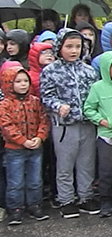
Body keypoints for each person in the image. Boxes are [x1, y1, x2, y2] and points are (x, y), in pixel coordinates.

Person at [40, 29, 100, 218]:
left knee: (87, 162)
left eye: (78, 46)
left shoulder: (89, 70)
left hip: (87, 123)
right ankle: (66, 199)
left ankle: (85, 196)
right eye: (69, 47)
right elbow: (46, 96)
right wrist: (58, 106)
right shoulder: (50, 71)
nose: (74, 51)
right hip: (64, 125)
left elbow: (95, 95)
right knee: (65, 164)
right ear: (60, 47)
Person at [83, 51, 112, 217]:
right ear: (105, 68)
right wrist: (101, 120)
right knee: (106, 171)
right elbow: (88, 108)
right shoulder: (97, 87)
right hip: (105, 135)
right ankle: (106, 200)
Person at [0, 66, 50, 225]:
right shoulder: (5, 104)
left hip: (35, 148)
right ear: (8, 84)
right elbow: (6, 126)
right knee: (15, 181)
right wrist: (23, 140)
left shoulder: (35, 101)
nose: (23, 84)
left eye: (25, 81)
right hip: (15, 150)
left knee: (35, 180)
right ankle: (15, 208)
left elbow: (44, 120)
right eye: (18, 81)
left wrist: (40, 137)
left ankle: (34, 205)